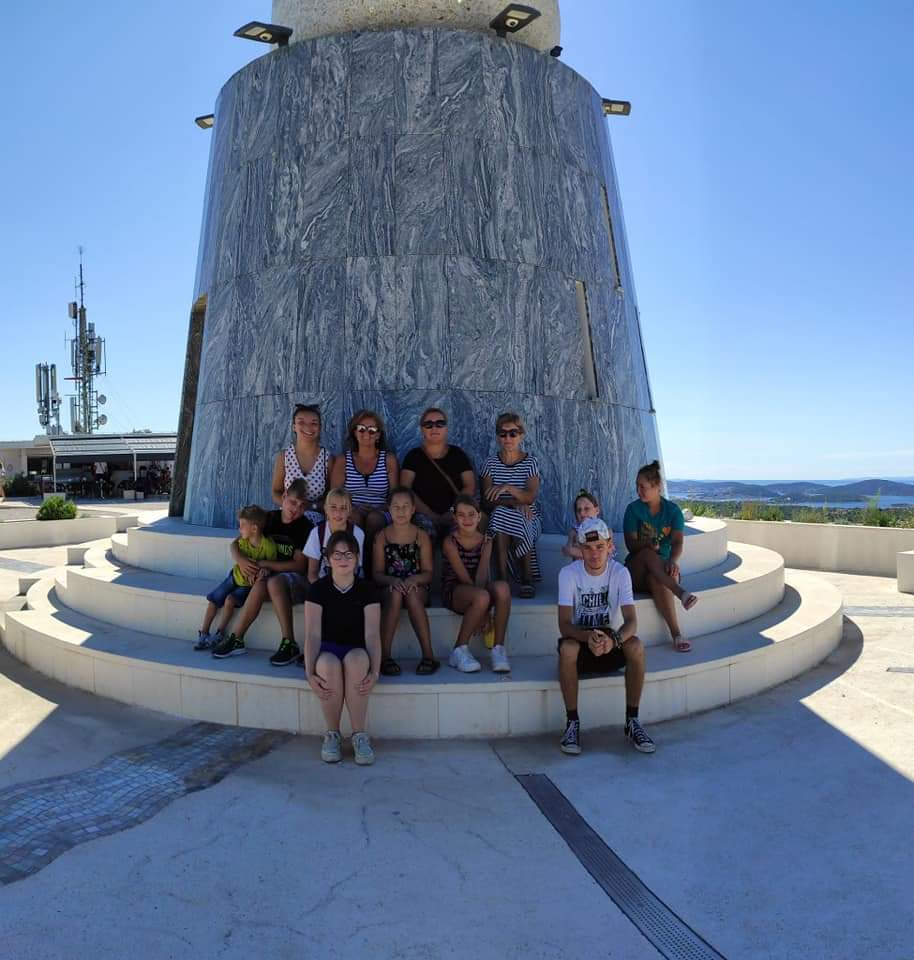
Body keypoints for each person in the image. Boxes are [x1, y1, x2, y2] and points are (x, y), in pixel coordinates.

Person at [557, 517, 655, 756]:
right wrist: (586, 637)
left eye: (600, 547)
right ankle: (572, 723)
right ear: (580, 549)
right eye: (588, 548)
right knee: (567, 649)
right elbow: (564, 625)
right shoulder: (568, 574)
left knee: (637, 646)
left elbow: (631, 621)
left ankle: (632, 720)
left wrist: (614, 641)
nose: (594, 554)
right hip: (581, 639)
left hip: (610, 638)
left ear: (610, 546)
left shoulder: (620, 573)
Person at [211, 480, 313, 665]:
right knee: (261, 584)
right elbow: (236, 543)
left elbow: (299, 566)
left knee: (273, 581)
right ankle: (237, 638)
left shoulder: (305, 527)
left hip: (295, 580)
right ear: (283, 497)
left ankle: (289, 642)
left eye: (302, 506)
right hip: (268, 578)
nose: (296, 509)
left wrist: (266, 564)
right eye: (293, 502)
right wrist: (241, 560)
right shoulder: (269, 519)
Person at [304, 530, 381, 765]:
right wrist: (309, 673)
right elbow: (312, 634)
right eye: (337, 554)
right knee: (328, 665)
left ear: (357, 558)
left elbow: (372, 634)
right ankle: (332, 734)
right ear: (328, 559)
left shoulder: (367, 589)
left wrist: (375, 671)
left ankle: (359, 735)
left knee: (356, 661)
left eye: (349, 554)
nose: (343, 559)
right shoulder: (317, 589)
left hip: (356, 650)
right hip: (328, 650)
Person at [623, 460, 698, 653]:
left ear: (657, 487)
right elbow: (630, 545)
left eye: (643, 487)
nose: (638, 491)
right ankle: (680, 592)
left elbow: (678, 542)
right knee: (647, 553)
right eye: (637, 486)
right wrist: (647, 544)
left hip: (662, 570)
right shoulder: (633, 510)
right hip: (636, 570)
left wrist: (673, 561)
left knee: (657, 578)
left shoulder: (672, 511)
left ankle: (676, 634)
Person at [441, 495, 512, 673]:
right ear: (455, 517)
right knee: (481, 596)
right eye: (461, 515)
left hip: (479, 591)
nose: (467, 519)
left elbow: (481, 575)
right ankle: (459, 649)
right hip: (456, 590)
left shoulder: (486, 541)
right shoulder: (450, 542)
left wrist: (484, 609)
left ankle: (498, 649)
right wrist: (483, 609)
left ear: (479, 517)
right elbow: (463, 577)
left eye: (471, 514)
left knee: (503, 588)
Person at [373, 487, 438, 676]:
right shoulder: (382, 537)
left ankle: (428, 655)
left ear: (413, 509)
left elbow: (428, 573)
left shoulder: (421, 536)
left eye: (405, 506)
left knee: (411, 594)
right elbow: (377, 574)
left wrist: (412, 580)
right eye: (396, 506)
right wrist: (393, 580)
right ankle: (385, 656)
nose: (401, 511)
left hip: (417, 587)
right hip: (390, 587)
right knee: (395, 594)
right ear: (389, 509)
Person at [195, 505, 277, 653]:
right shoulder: (243, 540)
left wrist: (264, 571)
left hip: (247, 585)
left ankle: (220, 633)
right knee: (214, 599)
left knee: (230, 600)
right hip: (234, 577)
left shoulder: (268, 547)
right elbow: (234, 547)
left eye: (242, 525)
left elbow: (270, 566)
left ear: (254, 528)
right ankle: (204, 632)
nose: (239, 529)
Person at [480, 412, 542, 598]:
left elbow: (530, 497)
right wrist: (514, 504)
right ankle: (503, 578)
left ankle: (526, 578)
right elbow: (487, 500)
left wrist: (507, 487)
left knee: (521, 517)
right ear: (498, 436)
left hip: (528, 514)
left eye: (513, 433)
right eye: (503, 433)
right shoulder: (490, 463)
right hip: (502, 513)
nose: (508, 438)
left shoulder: (530, 462)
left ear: (521, 435)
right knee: (500, 514)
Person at [329, 409, 399, 557]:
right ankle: (355, 559)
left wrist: (381, 508)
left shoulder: (388, 460)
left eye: (372, 430)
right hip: (351, 509)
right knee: (354, 518)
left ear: (378, 435)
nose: (366, 433)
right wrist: (352, 507)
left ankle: (370, 561)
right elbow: (334, 495)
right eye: (361, 429)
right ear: (355, 432)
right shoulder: (343, 460)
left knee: (374, 519)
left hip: (382, 510)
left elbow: (395, 495)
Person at [400, 407, 475, 540]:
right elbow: (405, 489)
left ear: (446, 429)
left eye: (440, 424)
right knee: (423, 537)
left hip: (455, 514)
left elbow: (470, 485)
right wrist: (430, 515)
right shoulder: (413, 456)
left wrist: (453, 511)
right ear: (422, 429)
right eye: (428, 424)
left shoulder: (458, 454)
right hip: (423, 516)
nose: (434, 428)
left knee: (460, 538)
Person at [271, 403, 331, 524]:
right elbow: (276, 491)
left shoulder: (327, 459)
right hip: (288, 518)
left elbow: (331, 497)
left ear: (320, 428)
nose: (308, 427)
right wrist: (290, 505)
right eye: (301, 422)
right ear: (294, 427)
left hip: (315, 521)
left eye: (314, 423)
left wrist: (311, 506)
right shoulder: (284, 457)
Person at [304, 487, 366, 582]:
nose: (338, 513)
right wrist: (320, 589)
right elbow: (312, 573)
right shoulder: (317, 533)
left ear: (350, 511)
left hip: (350, 582)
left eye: (343, 508)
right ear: (326, 509)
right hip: (322, 583)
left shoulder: (357, 533)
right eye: (333, 507)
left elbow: (355, 569)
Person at [561, 489, 601, 560]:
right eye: (579, 510)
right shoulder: (574, 532)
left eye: (586, 508)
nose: (582, 513)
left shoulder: (603, 530)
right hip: (579, 566)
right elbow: (567, 550)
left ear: (597, 510)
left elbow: (598, 554)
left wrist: (572, 551)